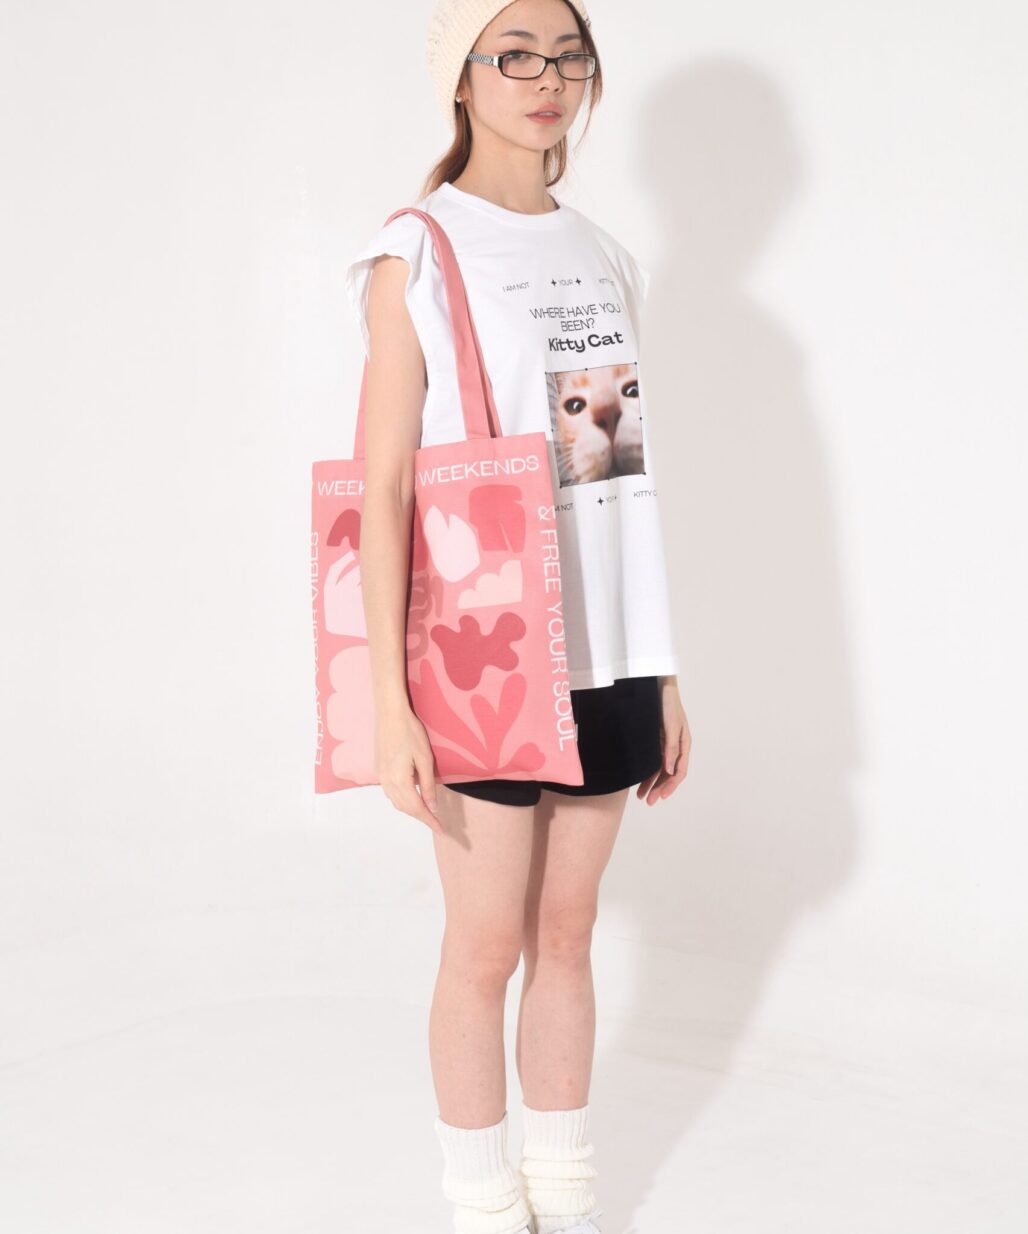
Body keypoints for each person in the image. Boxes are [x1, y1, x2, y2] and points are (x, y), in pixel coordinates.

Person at [345, 1, 692, 1230]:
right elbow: (385, 488)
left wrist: (657, 668)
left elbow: (613, 475)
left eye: (569, 56)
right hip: (483, 648)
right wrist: (387, 702)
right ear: (462, 76)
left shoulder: (603, 255)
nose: (549, 78)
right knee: (484, 945)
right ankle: (482, 1200)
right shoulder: (419, 251)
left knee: (567, 929)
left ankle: (566, 1187)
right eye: (517, 55)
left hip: (605, 651)